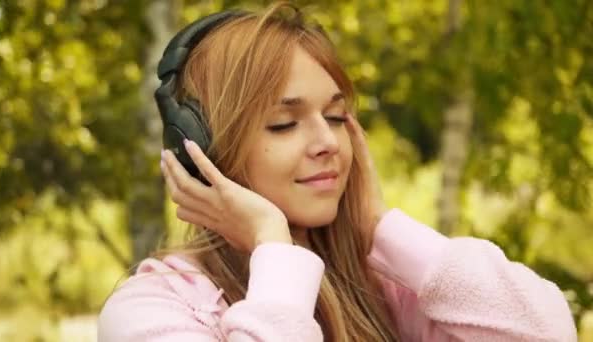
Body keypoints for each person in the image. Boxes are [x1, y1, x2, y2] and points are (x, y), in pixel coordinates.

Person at [97, 2, 577, 341]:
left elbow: (548, 332)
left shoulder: (389, 290)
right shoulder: (150, 311)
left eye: (335, 116)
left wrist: (379, 227)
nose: (328, 143)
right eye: (284, 124)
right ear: (200, 150)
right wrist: (271, 243)